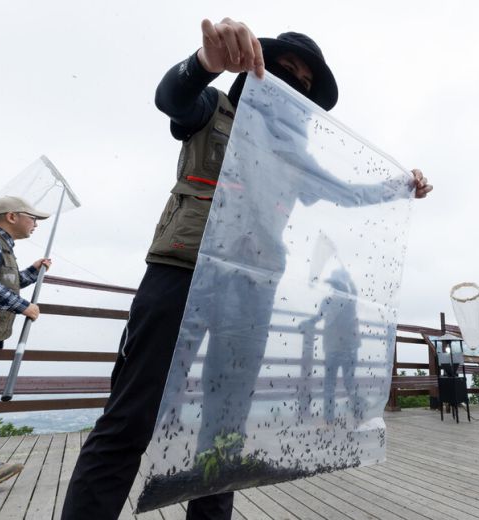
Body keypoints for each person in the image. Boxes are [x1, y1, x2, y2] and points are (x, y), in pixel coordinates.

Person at [62, 17, 432, 520]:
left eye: (304, 81)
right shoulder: (212, 108)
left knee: (226, 430)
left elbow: (349, 193)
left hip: (253, 289)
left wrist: (400, 186)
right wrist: (203, 65)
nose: (294, 82)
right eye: (284, 70)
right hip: (181, 274)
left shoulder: (293, 158)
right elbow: (171, 97)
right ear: (255, 67)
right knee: (131, 417)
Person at [0, 196, 51, 488]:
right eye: (32, 217)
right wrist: (21, 305)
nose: (36, 224)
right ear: (12, 216)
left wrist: (30, 272)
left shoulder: (1, 245)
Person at [299, 268, 362, 425]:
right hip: (339, 348)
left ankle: (335, 420)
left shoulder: (347, 300)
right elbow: (317, 318)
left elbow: (317, 318)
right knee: (341, 384)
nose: (333, 287)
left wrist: (349, 279)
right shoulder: (342, 300)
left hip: (342, 348)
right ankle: (338, 419)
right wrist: (307, 323)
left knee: (339, 384)